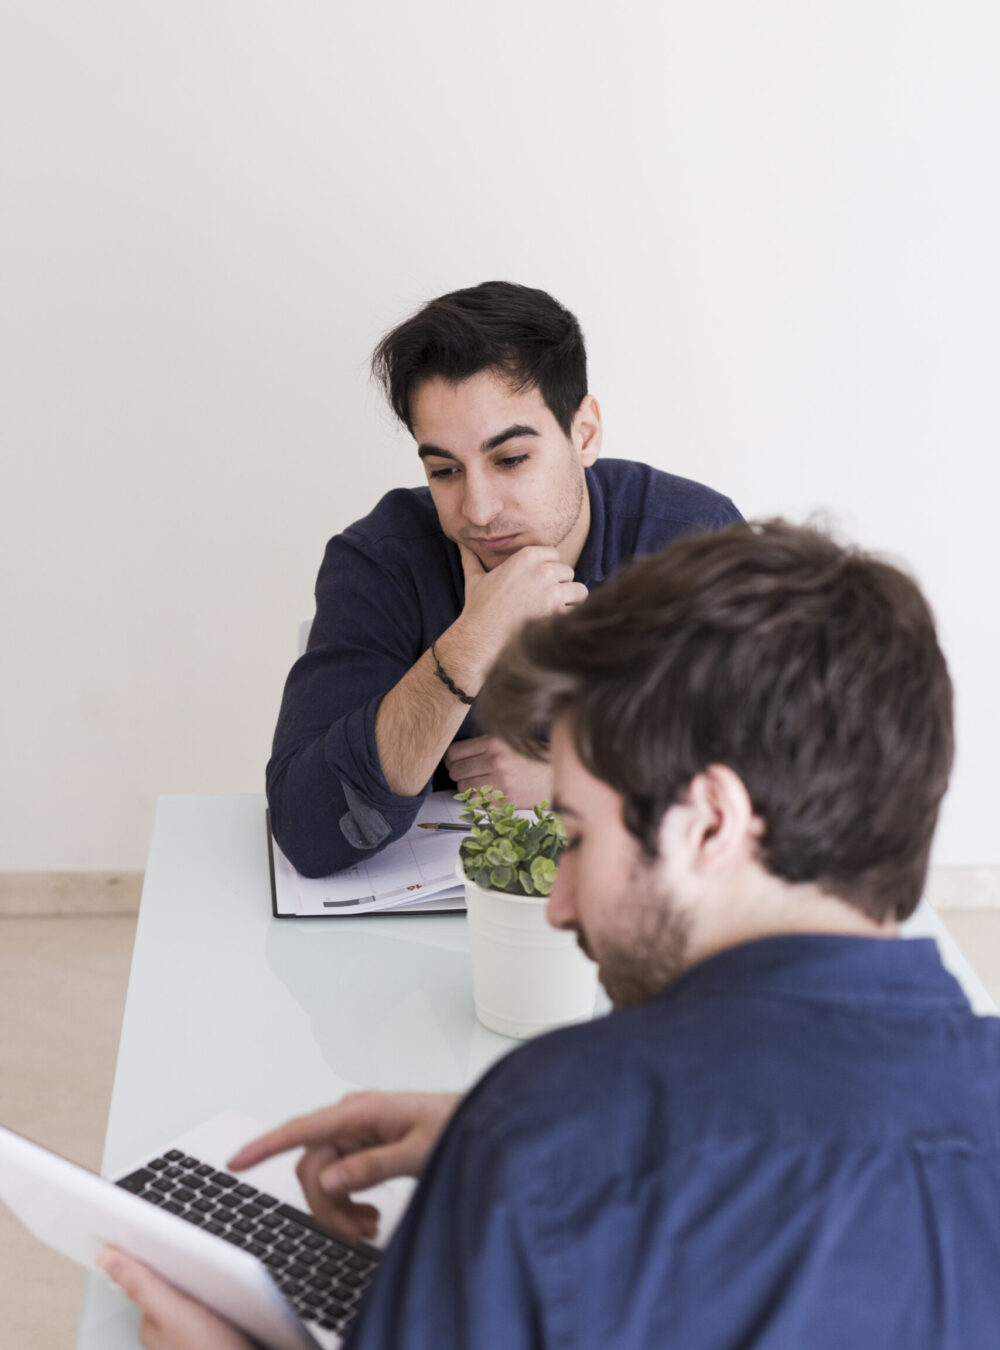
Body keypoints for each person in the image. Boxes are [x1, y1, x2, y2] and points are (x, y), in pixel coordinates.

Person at [103, 520, 1000, 1348]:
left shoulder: (538, 1138)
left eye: (576, 836)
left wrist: (534, 1147)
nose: (561, 906)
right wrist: (535, 1145)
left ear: (709, 825)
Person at [267, 280, 740, 876]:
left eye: (511, 460)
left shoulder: (693, 539)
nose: (479, 510)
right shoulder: (381, 560)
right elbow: (308, 829)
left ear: (584, 433)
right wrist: (471, 643)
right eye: (445, 470)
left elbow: (794, 772)